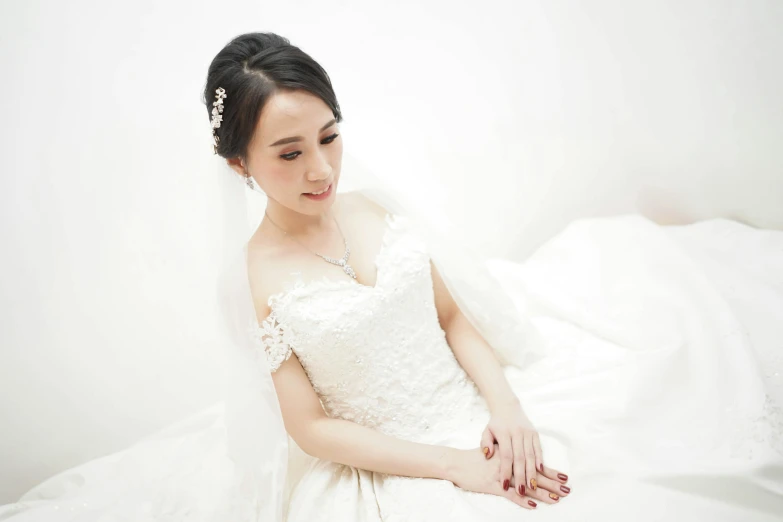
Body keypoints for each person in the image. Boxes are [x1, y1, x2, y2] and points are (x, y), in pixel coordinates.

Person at [2, 31, 781, 522]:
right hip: (390, 460)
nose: (320, 170)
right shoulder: (249, 279)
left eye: (329, 137)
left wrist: (505, 409)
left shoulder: (374, 207)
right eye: (287, 152)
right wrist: (455, 469)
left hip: (475, 404)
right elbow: (307, 427)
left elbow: (448, 316)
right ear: (236, 162)